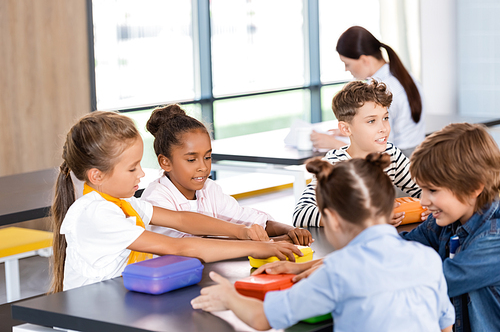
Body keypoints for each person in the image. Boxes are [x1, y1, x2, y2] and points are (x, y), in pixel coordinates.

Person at [191, 153, 454, 332]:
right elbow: (446, 325)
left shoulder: (338, 270)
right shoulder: (426, 257)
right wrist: (302, 267)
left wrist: (229, 296)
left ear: (331, 218)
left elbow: (262, 318)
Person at [50, 111, 302, 293]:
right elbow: (178, 247)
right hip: (93, 314)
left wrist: (242, 231)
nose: (141, 174)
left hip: (121, 296)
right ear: (97, 176)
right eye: (132, 169)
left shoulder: (122, 202)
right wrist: (254, 247)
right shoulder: (96, 214)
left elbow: (183, 220)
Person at [141, 104, 312, 245]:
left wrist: (290, 230)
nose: (203, 167)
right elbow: (193, 245)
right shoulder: (156, 198)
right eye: (192, 160)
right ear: (165, 162)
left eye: (207, 157)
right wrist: (271, 242)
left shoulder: (210, 190)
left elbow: (247, 219)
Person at [400, 123, 500, 332]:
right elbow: (402, 247)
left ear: (473, 188)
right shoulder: (449, 220)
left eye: (433, 190)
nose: (423, 201)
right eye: (422, 190)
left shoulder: (494, 239)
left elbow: (437, 283)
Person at [293, 79, 422, 228]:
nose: (384, 128)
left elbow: (424, 189)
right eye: (371, 121)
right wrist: (367, 219)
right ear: (346, 129)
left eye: (385, 118)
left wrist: (430, 208)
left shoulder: (390, 154)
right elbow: (301, 214)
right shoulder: (333, 164)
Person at [311, 26, 425, 157]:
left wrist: (334, 144)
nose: (346, 70)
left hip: (396, 161)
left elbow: (380, 148)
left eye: (347, 64)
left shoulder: (383, 89)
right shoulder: (403, 76)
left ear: (364, 60)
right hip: (412, 155)